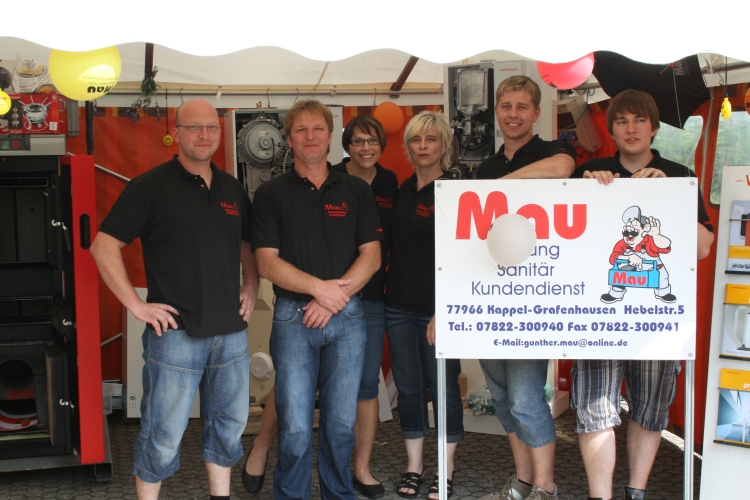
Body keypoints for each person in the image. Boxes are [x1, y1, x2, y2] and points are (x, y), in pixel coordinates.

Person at [90, 99, 259, 500]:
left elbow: (246, 242)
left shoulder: (232, 188)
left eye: (211, 128)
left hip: (230, 332)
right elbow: (103, 246)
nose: (204, 135)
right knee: (163, 433)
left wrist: (251, 284)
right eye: (194, 127)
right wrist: (136, 305)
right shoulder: (151, 186)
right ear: (177, 133)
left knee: (229, 427)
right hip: (175, 336)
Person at [242, 115, 398, 499]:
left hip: (348, 318)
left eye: (318, 130)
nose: (310, 136)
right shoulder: (271, 194)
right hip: (293, 318)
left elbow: (372, 255)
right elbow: (266, 263)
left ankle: (338, 493)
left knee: (341, 425)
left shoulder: (356, 191)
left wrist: (333, 300)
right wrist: (320, 291)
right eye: (301, 130)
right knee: (295, 426)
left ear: (330, 138)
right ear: (288, 139)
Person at [569, 89, 714, 500]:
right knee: (594, 407)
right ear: (611, 129)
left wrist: (670, 196)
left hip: (656, 321)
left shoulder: (679, 174)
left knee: (650, 408)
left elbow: (703, 247)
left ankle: (636, 492)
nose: (630, 129)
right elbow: (570, 241)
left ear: (653, 128)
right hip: (598, 318)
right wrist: (582, 190)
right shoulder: (590, 171)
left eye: (639, 121)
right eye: (621, 121)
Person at [477, 75, 576, 500]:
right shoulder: (485, 167)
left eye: (522, 107)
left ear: (536, 113)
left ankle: (546, 486)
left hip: (534, 303)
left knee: (524, 398)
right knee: (502, 398)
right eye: (506, 106)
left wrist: (504, 185)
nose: (513, 114)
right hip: (491, 298)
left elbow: (563, 170)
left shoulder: (552, 151)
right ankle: (523, 481)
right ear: (497, 112)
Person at [384, 110, 462, 500]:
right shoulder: (402, 189)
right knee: (409, 389)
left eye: (431, 139)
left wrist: (443, 309)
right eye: (416, 140)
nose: (423, 146)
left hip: (438, 311)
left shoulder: (455, 190)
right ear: (408, 147)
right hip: (397, 306)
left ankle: (445, 470)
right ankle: (414, 466)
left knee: (443, 387)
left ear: (444, 145)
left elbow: (463, 256)